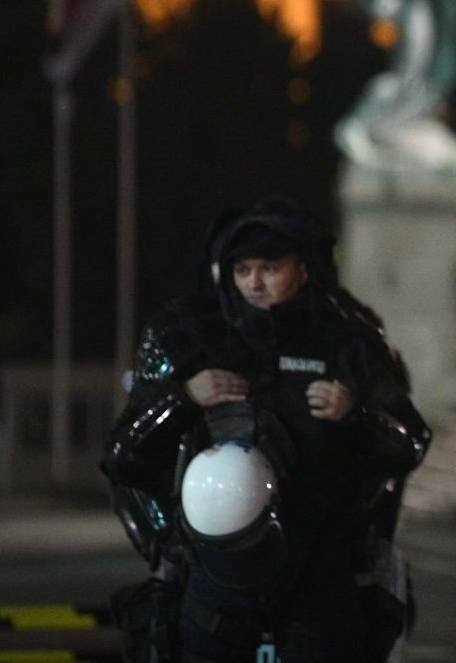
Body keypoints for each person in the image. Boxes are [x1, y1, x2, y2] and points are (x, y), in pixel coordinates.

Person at [102, 199, 430, 662]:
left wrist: (356, 414)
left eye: (269, 268)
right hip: (214, 571)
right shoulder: (191, 338)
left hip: (317, 566)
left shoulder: (347, 343)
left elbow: (410, 442)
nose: (254, 283)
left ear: (303, 270)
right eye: (243, 270)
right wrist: (183, 399)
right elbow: (123, 456)